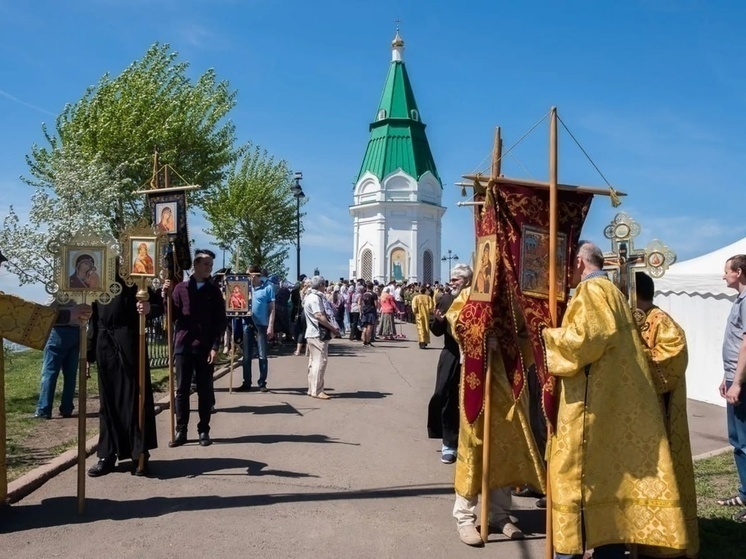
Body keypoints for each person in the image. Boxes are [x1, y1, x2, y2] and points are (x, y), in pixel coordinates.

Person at [542, 241, 688, 558]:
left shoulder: (591, 292)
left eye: (566, 265)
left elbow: (586, 340)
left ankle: (571, 551)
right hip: (609, 402)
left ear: (579, 262)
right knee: (609, 480)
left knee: (576, 477)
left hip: (591, 408)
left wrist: (548, 335)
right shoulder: (612, 293)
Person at [635, 272, 699, 557]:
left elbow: (673, 355)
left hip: (660, 412)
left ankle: (666, 542)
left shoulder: (660, 320)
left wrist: (634, 360)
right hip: (637, 411)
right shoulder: (635, 320)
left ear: (635, 293)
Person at [86, 272, 163, 476]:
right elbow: (93, 316)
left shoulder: (136, 280)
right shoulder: (97, 281)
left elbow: (158, 305)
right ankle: (107, 454)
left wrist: (148, 309)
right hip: (105, 341)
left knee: (134, 398)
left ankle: (140, 453)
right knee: (108, 401)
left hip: (130, 341)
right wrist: (88, 352)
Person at [167, 249, 227, 448]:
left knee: (205, 390)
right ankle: (181, 429)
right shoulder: (181, 289)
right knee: (182, 390)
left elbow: (220, 321)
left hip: (204, 347)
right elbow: (172, 316)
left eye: (211, 265)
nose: (209, 268)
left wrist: (215, 346)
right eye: (206, 264)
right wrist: (165, 296)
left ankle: (203, 430)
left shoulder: (214, 291)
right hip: (183, 345)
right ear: (196, 264)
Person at [428, 264, 472, 464]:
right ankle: (448, 442)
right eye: (452, 278)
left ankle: (468, 440)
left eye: (457, 279)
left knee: (470, 398)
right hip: (451, 353)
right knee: (444, 394)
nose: (452, 282)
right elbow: (437, 331)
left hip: (472, 354)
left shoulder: (475, 301)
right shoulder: (446, 299)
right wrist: (437, 320)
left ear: (468, 281)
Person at [717, 254, 746, 523]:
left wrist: (737, 381)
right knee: (738, 442)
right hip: (735, 379)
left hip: (744, 384)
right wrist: (727, 378)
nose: (724, 275)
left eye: (726, 271)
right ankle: (745, 493)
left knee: (745, 442)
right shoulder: (739, 300)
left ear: (738, 272)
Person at [33, 302, 83, 420]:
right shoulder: (80, 289)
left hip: (58, 331)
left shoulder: (58, 288)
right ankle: (67, 408)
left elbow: (47, 310)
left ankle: (44, 409)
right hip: (76, 331)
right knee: (70, 374)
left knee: (49, 372)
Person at [237, 266, 275, 392]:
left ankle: (262, 382)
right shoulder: (245, 288)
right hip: (247, 324)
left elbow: (272, 309)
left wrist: (270, 325)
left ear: (255, 275)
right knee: (246, 355)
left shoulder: (268, 288)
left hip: (261, 325)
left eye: (249, 275)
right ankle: (246, 382)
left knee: (262, 354)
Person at [304, 275, 340, 399]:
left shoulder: (309, 296)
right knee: (320, 362)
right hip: (317, 333)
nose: (325, 287)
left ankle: (312, 388)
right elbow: (319, 315)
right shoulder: (315, 298)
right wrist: (332, 327)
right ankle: (317, 390)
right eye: (324, 284)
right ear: (320, 285)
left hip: (312, 332)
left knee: (313, 362)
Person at [359, 282, 378, 347]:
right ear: (372, 287)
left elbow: (360, 303)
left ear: (367, 287)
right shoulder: (374, 294)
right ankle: (368, 341)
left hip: (365, 311)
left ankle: (364, 341)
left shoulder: (363, 294)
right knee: (370, 327)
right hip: (371, 311)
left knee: (365, 327)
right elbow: (376, 304)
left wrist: (361, 311)